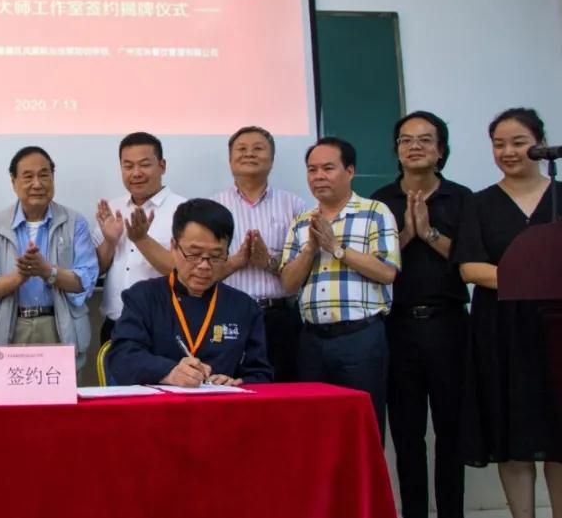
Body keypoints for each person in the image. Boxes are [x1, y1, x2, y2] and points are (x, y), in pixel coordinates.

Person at [454, 107, 562, 518]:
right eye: (499, 144)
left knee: (558, 435)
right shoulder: (479, 203)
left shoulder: (560, 195)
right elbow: (470, 268)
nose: (508, 152)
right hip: (501, 330)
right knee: (511, 432)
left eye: (518, 142)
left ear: (540, 144)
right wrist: (534, 276)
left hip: (556, 329)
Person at [370, 111, 471, 518]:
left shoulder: (462, 199)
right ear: (396, 150)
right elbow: (373, 263)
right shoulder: (379, 201)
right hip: (396, 325)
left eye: (425, 140)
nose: (414, 146)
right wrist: (408, 234)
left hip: (449, 324)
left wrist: (429, 233)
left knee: (451, 431)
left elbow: (470, 260)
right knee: (407, 433)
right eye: (406, 140)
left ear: (440, 150)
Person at [280, 136, 400, 438]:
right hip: (312, 340)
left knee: (363, 429)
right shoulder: (301, 222)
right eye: (312, 170)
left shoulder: (375, 212)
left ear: (350, 171)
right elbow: (289, 283)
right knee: (315, 430)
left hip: (360, 338)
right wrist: (310, 249)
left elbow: (387, 272)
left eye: (328, 168)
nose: (318, 176)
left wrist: (336, 247)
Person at [108, 198, 272, 386]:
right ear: (173, 247)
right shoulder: (143, 297)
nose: (204, 265)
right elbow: (122, 357)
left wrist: (238, 382)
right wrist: (168, 372)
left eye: (216, 256)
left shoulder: (245, 307)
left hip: (221, 403)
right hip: (159, 402)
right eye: (194, 254)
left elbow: (260, 374)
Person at [0, 146, 98, 370]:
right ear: (13, 182)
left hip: (60, 326)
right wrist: (19, 277)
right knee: (12, 392)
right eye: (28, 177)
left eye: (44, 175)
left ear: (53, 178)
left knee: (59, 392)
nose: (37, 184)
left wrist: (48, 272)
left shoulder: (75, 222)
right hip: (11, 327)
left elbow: (86, 280)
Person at [211, 125, 306, 382]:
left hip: (280, 317)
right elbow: (202, 270)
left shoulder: (294, 205)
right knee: (229, 388)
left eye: (258, 149)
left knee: (283, 391)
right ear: (230, 160)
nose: (249, 154)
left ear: (272, 159)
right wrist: (236, 262)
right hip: (228, 314)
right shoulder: (214, 206)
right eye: (241, 149)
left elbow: (304, 269)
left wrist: (268, 262)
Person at [93, 132, 185, 344]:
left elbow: (183, 272)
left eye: (144, 165)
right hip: (115, 325)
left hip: (163, 326)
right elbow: (95, 270)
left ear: (162, 166)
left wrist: (142, 240)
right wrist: (110, 242)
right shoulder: (112, 208)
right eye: (128, 166)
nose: (136, 173)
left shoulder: (183, 210)